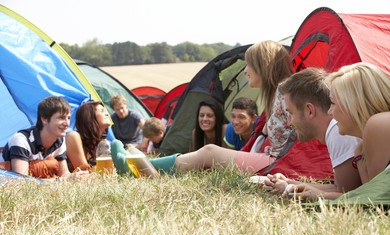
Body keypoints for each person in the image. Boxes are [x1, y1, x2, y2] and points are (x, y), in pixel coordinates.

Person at [111, 40, 294, 175]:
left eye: (250, 64)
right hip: (271, 160)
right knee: (208, 156)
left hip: (275, 164)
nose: (246, 70)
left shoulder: (285, 94)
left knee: (210, 152)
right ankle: (138, 165)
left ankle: (138, 167)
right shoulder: (277, 94)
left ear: (263, 65)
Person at [280, 62, 390, 200]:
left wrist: (321, 196)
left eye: (333, 103)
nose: (330, 112)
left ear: (352, 103)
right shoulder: (361, 146)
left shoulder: (379, 124)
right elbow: (367, 197)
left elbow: (373, 200)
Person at [263, 67, 362, 199]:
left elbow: (347, 196)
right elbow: (339, 188)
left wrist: (288, 189)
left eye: (290, 113)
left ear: (309, 110)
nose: (289, 122)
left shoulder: (336, 131)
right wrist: (289, 182)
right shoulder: (334, 130)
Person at [1, 96, 89, 179]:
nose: (67, 123)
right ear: (44, 119)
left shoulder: (60, 140)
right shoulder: (21, 140)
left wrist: (75, 176)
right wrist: (61, 180)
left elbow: (64, 174)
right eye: (61, 118)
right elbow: (21, 181)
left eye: (68, 118)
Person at [66, 100, 113, 172]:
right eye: (102, 111)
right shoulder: (73, 136)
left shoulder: (102, 142)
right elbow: (84, 170)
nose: (107, 114)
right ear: (89, 116)